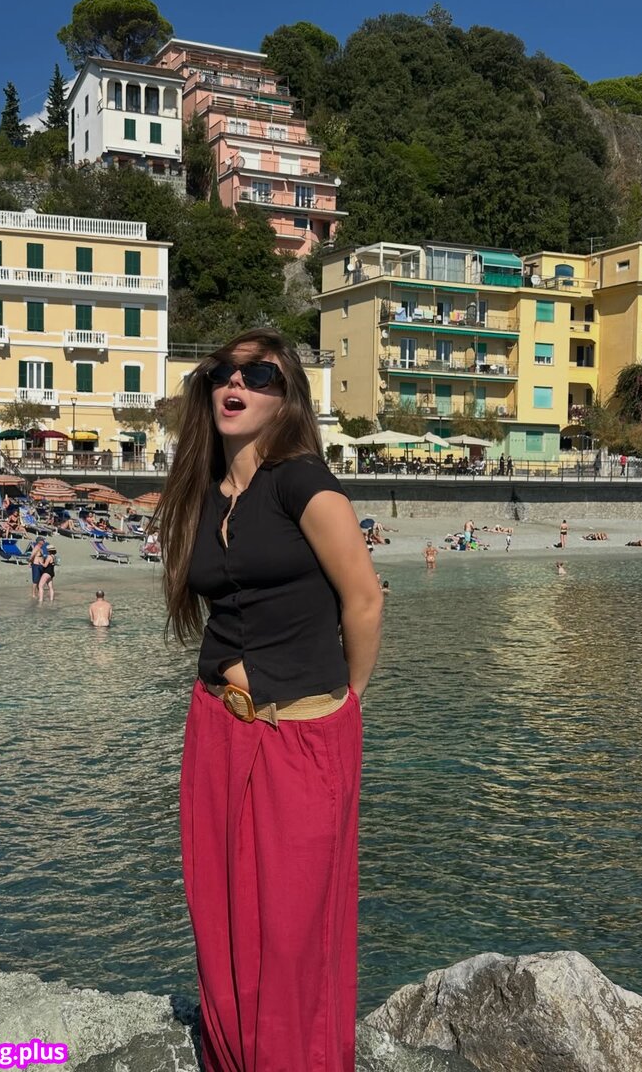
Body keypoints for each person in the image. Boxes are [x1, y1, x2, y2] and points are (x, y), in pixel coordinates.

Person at [154, 328, 382, 1072]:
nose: (236, 384)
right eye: (224, 372)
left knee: (291, 932)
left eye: (260, 377)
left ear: (289, 401)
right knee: (218, 916)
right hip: (216, 724)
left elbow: (364, 600)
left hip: (302, 732)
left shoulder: (303, 483)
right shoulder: (203, 491)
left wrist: (348, 703)